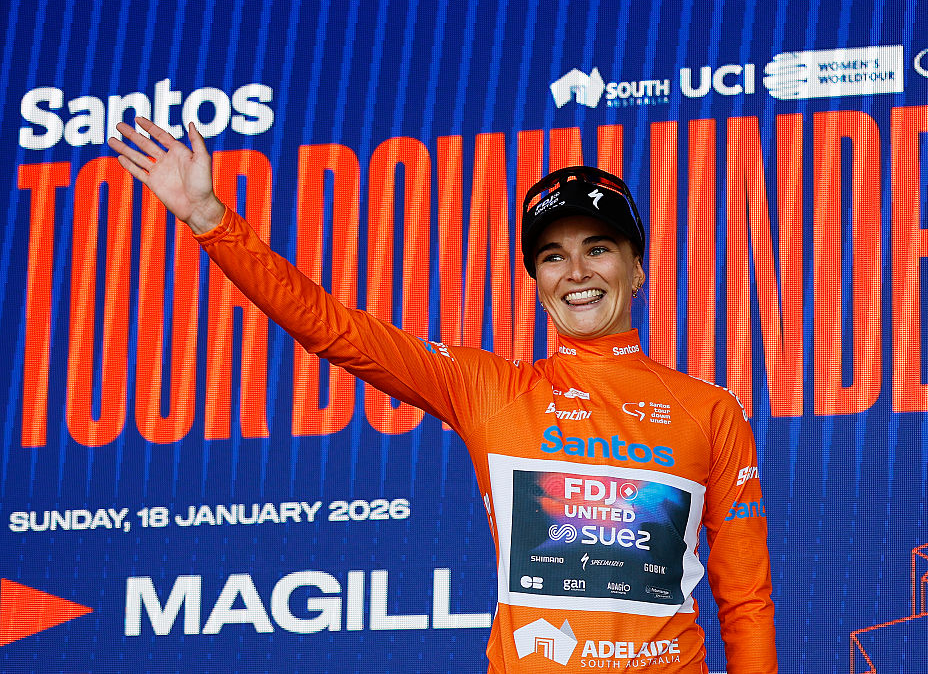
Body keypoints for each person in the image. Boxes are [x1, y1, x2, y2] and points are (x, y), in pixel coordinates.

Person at [109, 118, 777, 673]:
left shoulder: (710, 408)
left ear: (637, 268)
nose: (576, 272)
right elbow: (334, 327)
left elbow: (745, 600)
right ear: (537, 279)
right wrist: (211, 220)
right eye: (551, 256)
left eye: (598, 248)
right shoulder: (490, 388)